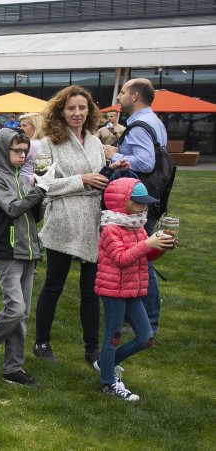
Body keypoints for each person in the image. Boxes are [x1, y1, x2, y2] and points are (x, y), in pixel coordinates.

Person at [33, 85, 108, 365]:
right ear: (60, 111)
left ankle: (92, 349)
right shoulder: (47, 144)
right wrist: (82, 180)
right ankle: (41, 342)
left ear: (89, 111)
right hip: (63, 220)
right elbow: (43, 184)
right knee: (54, 285)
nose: (77, 113)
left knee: (91, 290)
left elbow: (101, 178)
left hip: (92, 220)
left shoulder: (95, 142)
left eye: (82, 108)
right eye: (71, 108)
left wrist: (113, 172)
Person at [0, 129, 47, 388]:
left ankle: (13, 368)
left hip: (29, 250)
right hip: (8, 250)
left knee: (23, 314)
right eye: (17, 151)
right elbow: (13, 208)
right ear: (4, 151)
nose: (22, 155)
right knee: (14, 308)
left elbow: (33, 216)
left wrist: (41, 196)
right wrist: (37, 194)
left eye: (25, 151)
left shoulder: (27, 180)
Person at [95, 178, 175, 401]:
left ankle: (105, 364)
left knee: (146, 337)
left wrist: (161, 247)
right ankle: (109, 383)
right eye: (139, 203)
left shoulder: (137, 226)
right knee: (114, 336)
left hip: (132, 289)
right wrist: (148, 243)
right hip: (113, 291)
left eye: (146, 203)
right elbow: (121, 259)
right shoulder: (110, 229)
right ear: (123, 202)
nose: (144, 208)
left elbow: (145, 256)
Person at [104, 78, 167, 336]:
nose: (119, 97)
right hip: (148, 196)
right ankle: (142, 317)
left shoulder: (140, 124)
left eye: (122, 92)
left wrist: (114, 155)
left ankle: (147, 321)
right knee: (141, 257)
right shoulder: (154, 121)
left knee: (140, 258)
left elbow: (145, 161)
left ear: (136, 95)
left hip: (137, 198)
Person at [18, 112, 45, 184]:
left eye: (24, 125)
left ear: (35, 126)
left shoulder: (30, 144)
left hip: (24, 183)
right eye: (20, 126)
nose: (21, 129)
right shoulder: (45, 142)